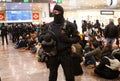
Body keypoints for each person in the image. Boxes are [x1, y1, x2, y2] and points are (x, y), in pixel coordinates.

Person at [38, 4, 80, 81]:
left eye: (56, 12)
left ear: (61, 12)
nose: (55, 14)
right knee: (52, 75)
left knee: (69, 75)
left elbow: (77, 38)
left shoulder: (69, 25)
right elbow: (40, 38)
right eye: (53, 12)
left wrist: (68, 40)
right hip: (53, 54)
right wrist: (44, 37)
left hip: (66, 54)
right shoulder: (48, 26)